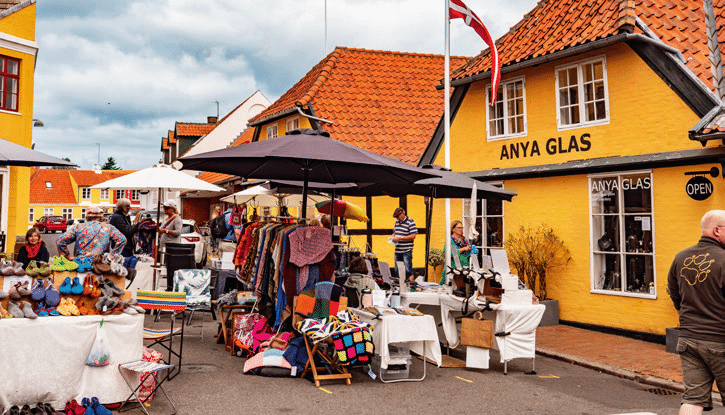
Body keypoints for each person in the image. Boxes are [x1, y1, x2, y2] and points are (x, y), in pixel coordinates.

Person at [667, 210, 725, 414]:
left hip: (689, 339)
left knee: (693, 398)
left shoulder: (680, 257)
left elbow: (675, 296)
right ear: (717, 231)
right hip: (720, 341)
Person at [57, 205, 126, 261]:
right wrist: (112, 256)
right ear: (102, 218)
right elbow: (122, 239)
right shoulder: (108, 227)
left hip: (81, 262)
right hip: (101, 263)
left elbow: (60, 240)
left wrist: (67, 256)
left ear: (87, 217)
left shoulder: (79, 227)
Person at [391, 207, 417, 280]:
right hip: (397, 249)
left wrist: (400, 238)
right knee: (397, 270)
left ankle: (410, 287)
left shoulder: (410, 221)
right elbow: (394, 232)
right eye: (396, 218)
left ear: (403, 214)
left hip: (406, 250)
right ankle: (399, 287)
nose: (397, 219)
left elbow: (413, 236)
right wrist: (393, 237)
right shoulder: (397, 222)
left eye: (398, 217)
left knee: (408, 270)